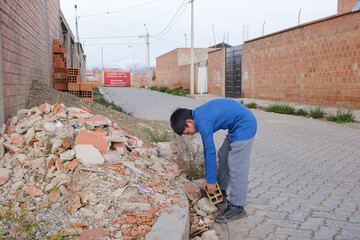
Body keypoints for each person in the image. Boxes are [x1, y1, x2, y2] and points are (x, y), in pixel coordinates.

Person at [170, 98, 257, 223]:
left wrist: (211, 179)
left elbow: (210, 151)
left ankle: (237, 206)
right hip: (236, 127)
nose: (189, 135)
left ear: (189, 121)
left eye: (187, 131)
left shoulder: (203, 122)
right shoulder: (199, 116)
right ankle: (220, 191)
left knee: (236, 165)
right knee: (223, 154)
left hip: (245, 126)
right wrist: (207, 176)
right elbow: (207, 150)